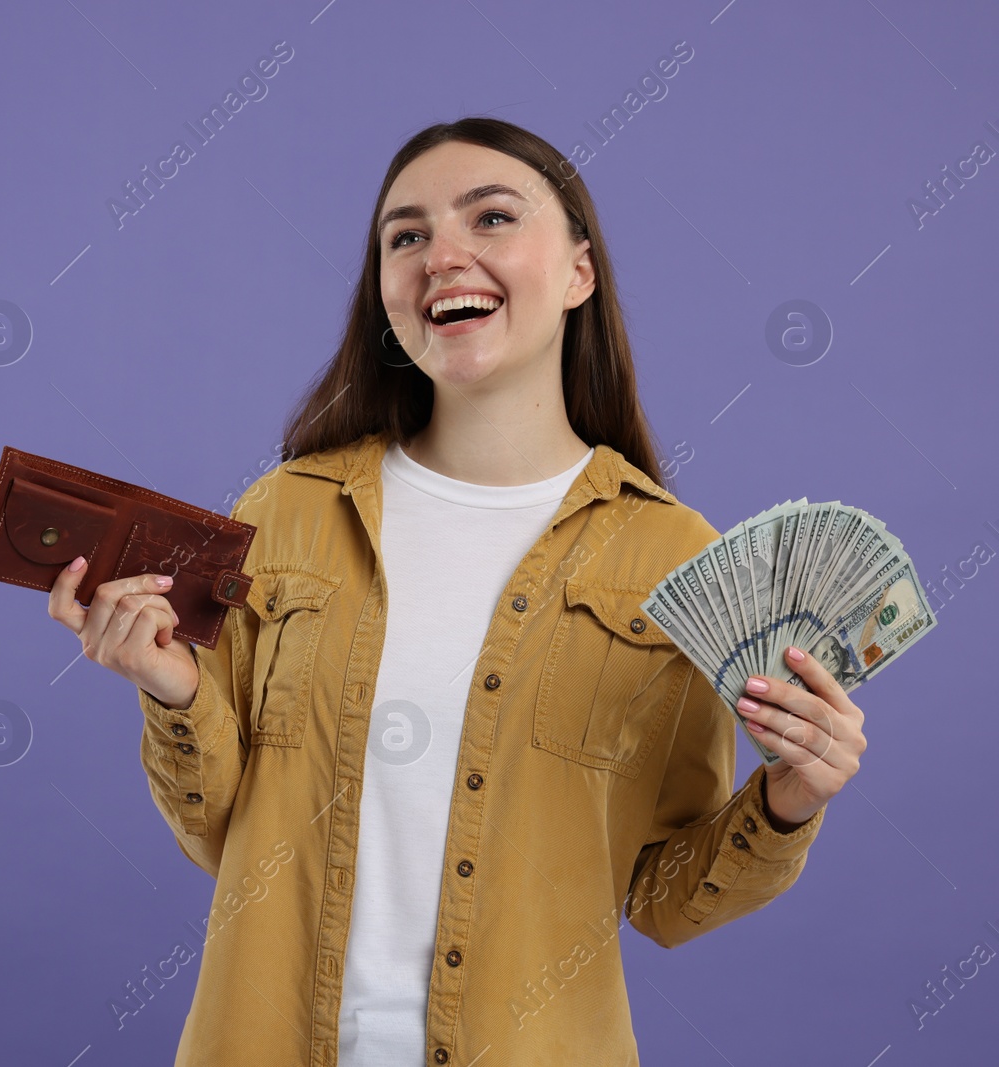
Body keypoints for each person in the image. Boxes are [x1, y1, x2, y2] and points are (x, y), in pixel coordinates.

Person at [47, 117, 868, 1066]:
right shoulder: (287, 512)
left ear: (578, 273)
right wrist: (175, 691)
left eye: (491, 219)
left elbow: (662, 899)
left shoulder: (674, 559)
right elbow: (218, 834)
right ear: (386, 292)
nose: (443, 256)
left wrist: (792, 796)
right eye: (406, 236)